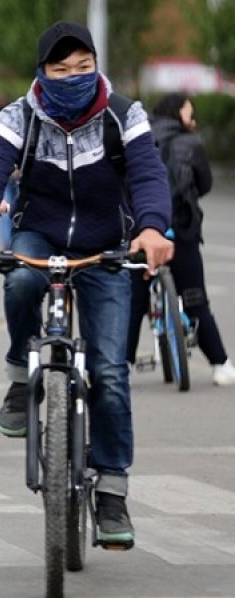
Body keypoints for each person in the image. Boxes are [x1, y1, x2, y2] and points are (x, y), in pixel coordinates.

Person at [0, 21, 174, 547]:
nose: (74, 77)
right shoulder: (18, 116)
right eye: (61, 69)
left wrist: (153, 228)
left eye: (83, 68)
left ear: (96, 65)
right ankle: (24, 378)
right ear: (42, 72)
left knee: (111, 372)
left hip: (105, 244)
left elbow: (146, 174)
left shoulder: (124, 113)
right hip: (40, 234)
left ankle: (112, 492)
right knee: (22, 281)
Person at [126, 92, 235, 386]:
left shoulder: (136, 136)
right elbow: (205, 184)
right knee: (195, 298)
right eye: (190, 113)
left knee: (134, 302)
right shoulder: (191, 143)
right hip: (182, 229)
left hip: (142, 230)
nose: (194, 120)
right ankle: (220, 364)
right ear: (178, 115)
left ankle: (121, 365)